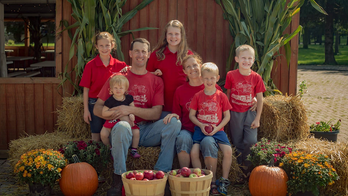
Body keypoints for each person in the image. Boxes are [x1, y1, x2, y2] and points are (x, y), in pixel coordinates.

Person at [93, 38, 181, 196]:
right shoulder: (117, 78)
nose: (140, 54)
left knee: (174, 123)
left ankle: (162, 176)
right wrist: (118, 113)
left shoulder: (156, 80)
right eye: (137, 51)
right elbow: (97, 108)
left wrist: (129, 109)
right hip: (123, 130)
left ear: (148, 55)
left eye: (144, 51)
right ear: (130, 53)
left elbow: (155, 113)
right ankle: (118, 177)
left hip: (147, 131)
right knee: (122, 126)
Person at [189, 62, 233, 196]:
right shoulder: (198, 96)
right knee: (194, 152)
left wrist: (218, 128)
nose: (209, 81)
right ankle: (204, 179)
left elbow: (227, 116)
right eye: (206, 78)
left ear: (217, 77)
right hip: (201, 130)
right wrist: (201, 125)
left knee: (228, 151)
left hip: (218, 130)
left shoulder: (221, 96)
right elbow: (191, 115)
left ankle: (224, 180)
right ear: (201, 78)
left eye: (212, 78)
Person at [79, 32, 127, 142]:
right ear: (96, 47)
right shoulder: (90, 65)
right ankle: (97, 158)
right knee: (96, 135)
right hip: (94, 103)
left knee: (111, 134)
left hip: (113, 103)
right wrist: (86, 111)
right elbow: (86, 89)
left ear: (112, 45)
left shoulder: (121, 65)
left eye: (107, 45)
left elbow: (133, 75)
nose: (104, 48)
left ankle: (110, 157)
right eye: (101, 45)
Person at [224, 44, 266, 168]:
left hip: (250, 112)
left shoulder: (256, 77)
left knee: (251, 141)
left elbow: (260, 97)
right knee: (237, 141)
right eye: (243, 58)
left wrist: (257, 118)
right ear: (237, 59)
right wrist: (226, 113)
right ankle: (238, 168)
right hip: (235, 112)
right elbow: (228, 94)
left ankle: (248, 165)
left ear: (253, 60)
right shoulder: (231, 75)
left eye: (249, 58)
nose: (246, 61)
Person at [147, 20, 193, 117]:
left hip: (184, 107)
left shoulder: (188, 56)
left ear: (181, 36)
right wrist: (154, 74)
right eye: (170, 34)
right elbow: (147, 78)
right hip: (162, 107)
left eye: (176, 34)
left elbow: (195, 79)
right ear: (165, 35)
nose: (173, 37)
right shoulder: (156, 55)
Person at [100, 75, 140, 158]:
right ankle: (110, 148)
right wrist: (115, 112)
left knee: (136, 132)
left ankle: (134, 150)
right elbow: (104, 113)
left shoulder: (129, 98)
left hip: (126, 120)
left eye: (121, 88)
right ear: (111, 89)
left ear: (125, 89)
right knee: (103, 134)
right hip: (113, 119)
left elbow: (132, 109)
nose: (118, 90)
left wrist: (131, 114)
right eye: (115, 88)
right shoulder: (110, 100)